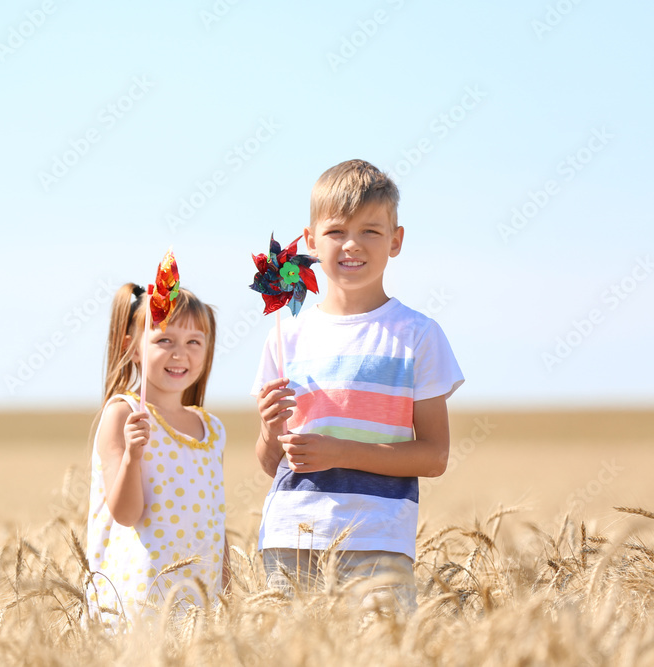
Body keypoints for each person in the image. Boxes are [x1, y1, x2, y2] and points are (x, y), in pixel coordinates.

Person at [252, 159, 464, 613]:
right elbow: (271, 462)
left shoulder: (417, 335)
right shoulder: (286, 334)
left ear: (396, 240)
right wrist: (270, 429)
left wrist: (340, 453)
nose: (351, 244)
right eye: (335, 232)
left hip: (378, 540)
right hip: (290, 537)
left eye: (370, 230)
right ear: (309, 242)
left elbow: (435, 455)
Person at [86, 283, 228, 629]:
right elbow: (126, 513)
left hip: (199, 600)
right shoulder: (123, 413)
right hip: (139, 596)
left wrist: (228, 589)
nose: (180, 354)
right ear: (132, 348)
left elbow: (216, 520)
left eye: (194, 342)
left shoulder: (212, 429)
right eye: (165, 340)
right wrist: (134, 456)